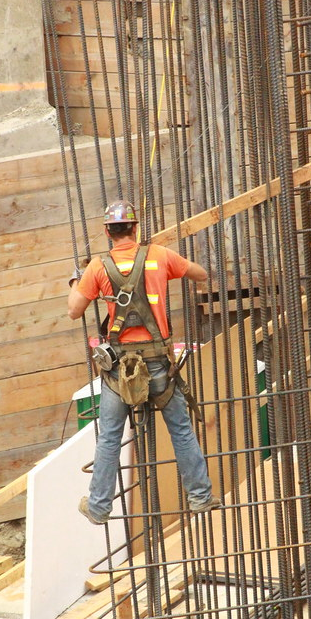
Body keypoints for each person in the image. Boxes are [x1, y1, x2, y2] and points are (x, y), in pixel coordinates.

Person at [67, 199, 218, 523]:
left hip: (120, 371)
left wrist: (75, 283)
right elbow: (202, 274)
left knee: (109, 436)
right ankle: (200, 497)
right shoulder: (159, 256)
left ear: (108, 232)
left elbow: (74, 310)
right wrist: (163, 267)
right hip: (158, 365)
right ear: (135, 228)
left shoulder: (98, 267)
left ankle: (98, 507)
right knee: (180, 429)